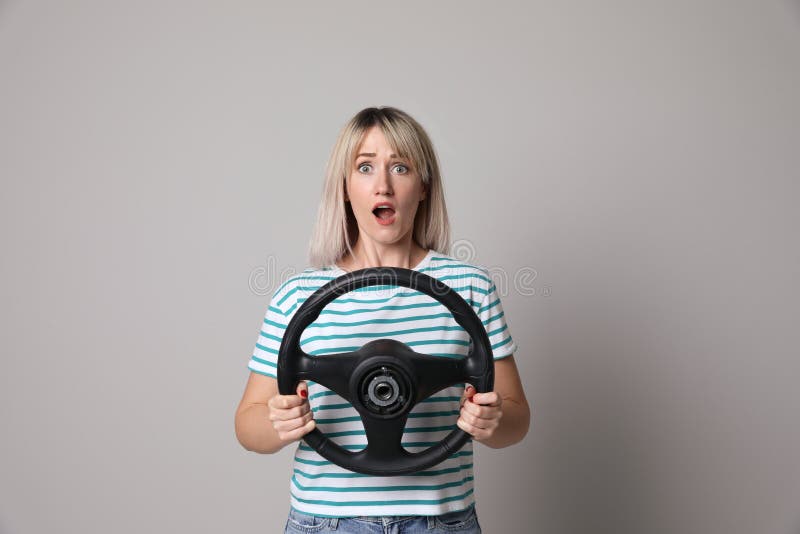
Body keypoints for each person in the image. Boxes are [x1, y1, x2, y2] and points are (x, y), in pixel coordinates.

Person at [235, 106, 530, 533]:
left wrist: (491, 420)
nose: (383, 185)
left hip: (441, 521)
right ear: (345, 187)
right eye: (365, 167)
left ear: (423, 186)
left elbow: (516, 420)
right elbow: (248, 426)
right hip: (326, 523)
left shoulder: (470, 287)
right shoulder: (297, 296)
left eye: (400, 167)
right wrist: (279, 422)